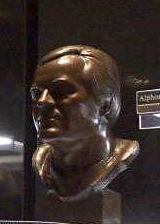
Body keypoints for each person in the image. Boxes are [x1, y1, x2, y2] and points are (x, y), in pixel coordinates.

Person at [30, 46, 138, 202]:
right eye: (36, 94)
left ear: (105, 104)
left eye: (62, 91)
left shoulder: (124, 156)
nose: (42, 102)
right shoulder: (40, 162)